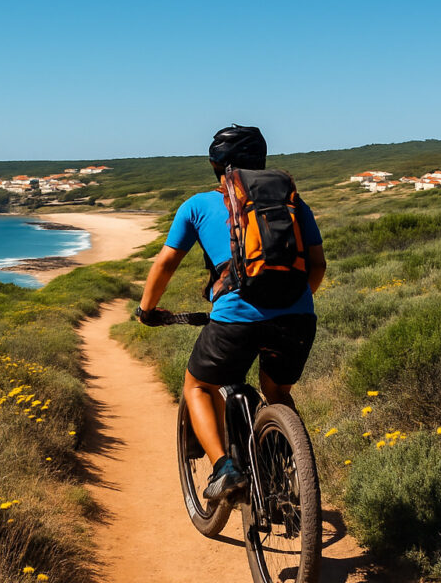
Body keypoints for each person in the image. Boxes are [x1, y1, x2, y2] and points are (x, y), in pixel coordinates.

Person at [136, 125, 326, 501]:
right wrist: (289, 303)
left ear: (216, 166)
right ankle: (284, 473)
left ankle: (226, 468)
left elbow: (166, 265)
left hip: (236, 319)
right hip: (298, 318)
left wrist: (146, 310)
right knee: (277, 392)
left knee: (198, 386)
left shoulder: (197, 205)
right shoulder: (293, 203)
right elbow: (317, 267)